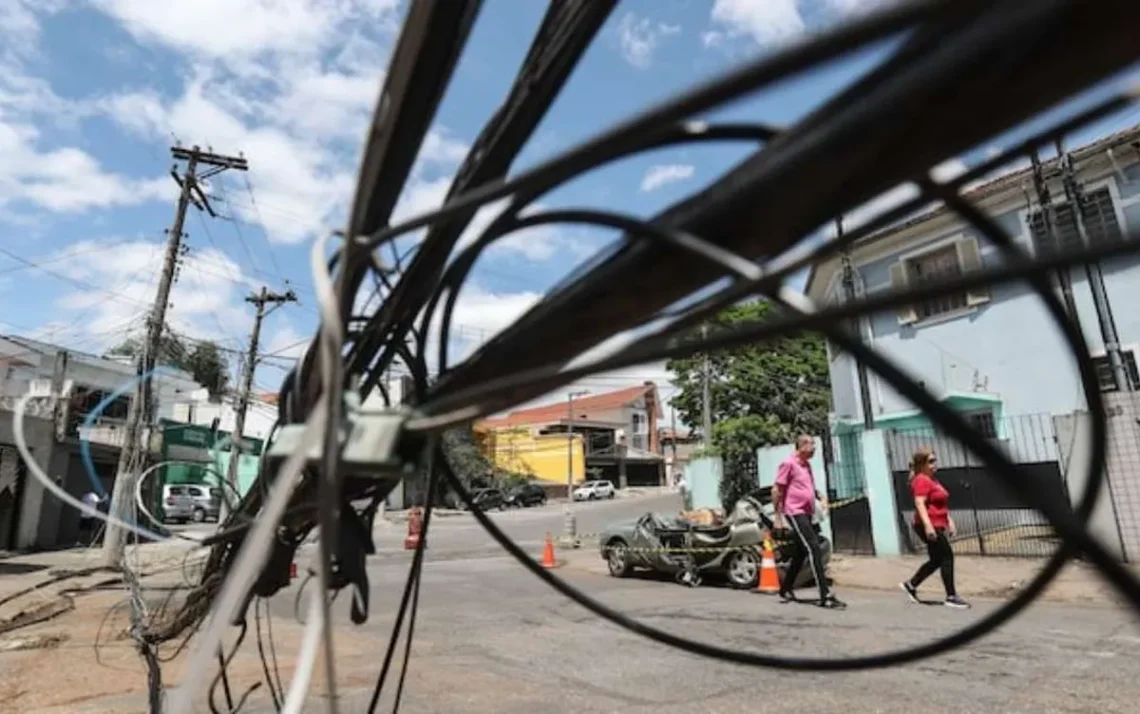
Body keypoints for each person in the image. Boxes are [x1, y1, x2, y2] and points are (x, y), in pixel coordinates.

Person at [773, 434, 845, 609]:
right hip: (794, 511)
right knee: (813, 547)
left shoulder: (806, 465)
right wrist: (778, 516)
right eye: (811, 445)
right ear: (801, 446)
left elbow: (809, 487)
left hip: (807, 512)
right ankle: (825, 594)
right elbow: (777, 489)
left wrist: (820, 496)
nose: (814, 449)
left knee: (801, 552)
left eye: (814, 445)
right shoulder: (788, 463)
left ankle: (786, 587)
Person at [900, 448, 970, 609]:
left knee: (937, 560)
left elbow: (939, 504)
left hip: (937, 524)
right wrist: (928, 526)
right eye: (930, 461)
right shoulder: (922, 480)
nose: (934, 464)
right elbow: (919, 503)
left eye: (934, 460)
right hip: (928, 525)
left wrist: (949, 521)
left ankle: (911, 585)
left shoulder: (933, 480)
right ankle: (951, 596)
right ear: (921, 464)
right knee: (947, 557)